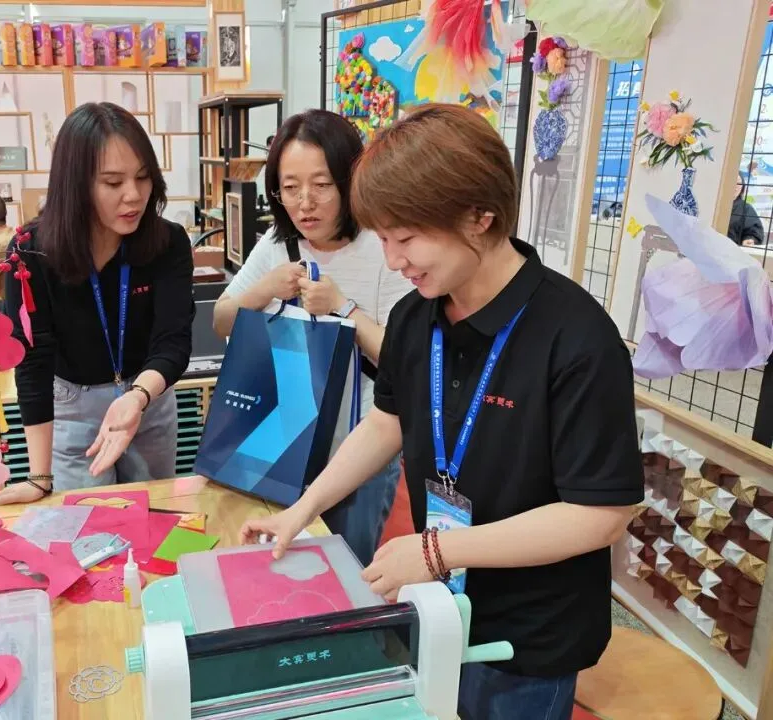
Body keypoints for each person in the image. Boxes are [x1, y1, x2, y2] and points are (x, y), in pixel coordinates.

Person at [240, 104, 643, 720]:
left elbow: (600, 515)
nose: (393, 260)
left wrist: (434, 552)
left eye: (406, 239)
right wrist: (303, 509)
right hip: (440, 601)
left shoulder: (577, 338)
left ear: (480, 216)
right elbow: (387, 422)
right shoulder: (415, 316)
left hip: (529, 633)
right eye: (384, 239)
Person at [213, 108, 408, 567]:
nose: (305, 203)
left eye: (321, 185)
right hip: (282, 435)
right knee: (277, 558)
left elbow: (402, 360)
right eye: (290, 187)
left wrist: (344, 308)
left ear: (349, 180)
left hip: (360, 447)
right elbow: (222, 320)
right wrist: (264, 289)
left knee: (346, 563)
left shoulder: (383, 247)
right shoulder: (277, 243)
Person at [0, 102, 194, 505]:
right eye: (113, 182)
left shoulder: (168, 242)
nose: (133, 195)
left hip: (147, 397)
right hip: (73, 405)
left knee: (154, 513)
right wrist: (39, 477)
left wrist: (137, 397)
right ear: (76, 184)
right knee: (87, 522)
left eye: (143, 177)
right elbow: (33, 359)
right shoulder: (32, 251)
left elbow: (173, 341)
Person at [727, 171, 764, 246]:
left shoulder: (746, 209)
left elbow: (754, 231)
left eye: (739, 183)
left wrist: (750, 239)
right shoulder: (714, 205)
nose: (736, 186)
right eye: (733, 182)